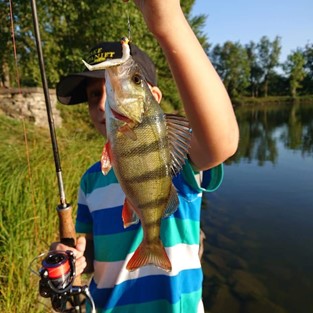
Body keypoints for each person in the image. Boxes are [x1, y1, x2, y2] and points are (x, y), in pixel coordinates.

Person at [52, 1, 239, 312]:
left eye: (132, 81)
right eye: (94, 95)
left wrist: (168, 24)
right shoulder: (90, 180)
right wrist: (75, 258)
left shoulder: (177, 161)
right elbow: (95, 249)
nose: (102, 102)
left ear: (153, 98)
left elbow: (223, 142)